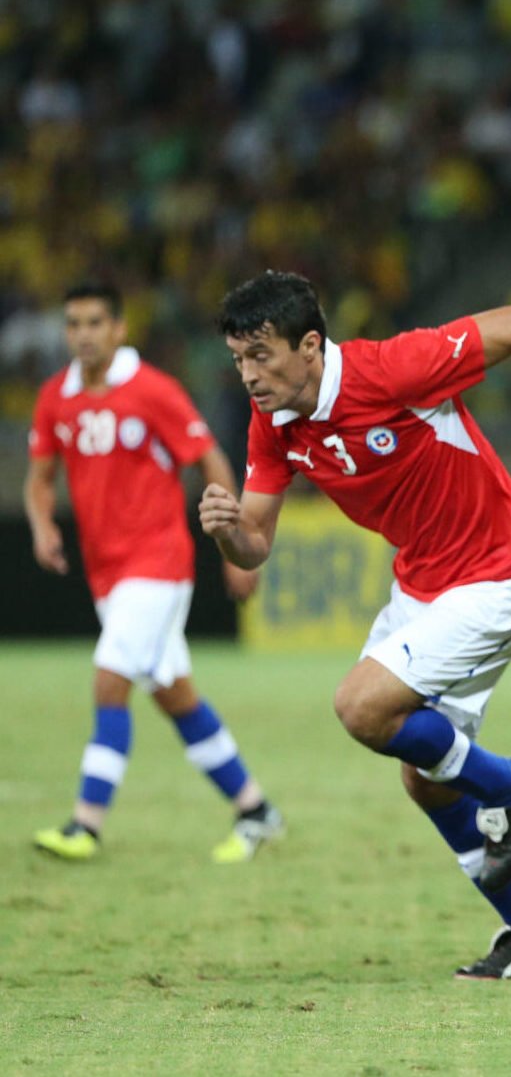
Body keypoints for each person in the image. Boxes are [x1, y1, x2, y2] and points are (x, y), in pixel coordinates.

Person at [198, 271, 511, 978]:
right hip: (426, 584)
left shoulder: (392, 369)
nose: (248, 374)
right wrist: (229, 532)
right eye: (238, 358)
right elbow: (255, 544)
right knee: (426, 776)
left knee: (360, 705)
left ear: (311, 345)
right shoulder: (275, 423)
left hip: (497, 572)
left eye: (261, 354)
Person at [27, 282, 281, 864]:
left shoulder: (153, 392)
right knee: (176, 697)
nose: (83, 334)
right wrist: (43, 526)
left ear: (118, 329)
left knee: (109, 678)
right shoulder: (55, 398)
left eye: (95, 322)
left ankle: (85, 824)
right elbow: (40, 477)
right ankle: (256, 810)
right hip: (107, 576)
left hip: (158, 564)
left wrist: (234, 542)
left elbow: (209, 459)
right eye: (73, 323)